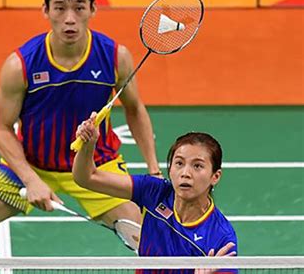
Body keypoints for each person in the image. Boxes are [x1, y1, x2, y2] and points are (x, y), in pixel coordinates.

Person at [0, 0, 160, 261]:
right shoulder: (22, 64)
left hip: (95, 166)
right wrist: (30, 179)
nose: (69, 19)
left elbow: (135, 109)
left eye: (79, 8)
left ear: (93, 9)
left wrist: (153, 170)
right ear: (45, 10)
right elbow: (1, 128)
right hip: (31, 164)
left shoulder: (116, 57)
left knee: (154, 248)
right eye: (60, 8)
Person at [73, 113, 238, 273]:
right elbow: (87, 177)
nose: (185, 173)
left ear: (215, 177)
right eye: (179, 163)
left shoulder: (221, 237)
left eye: (197, 166)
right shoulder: (154, 191)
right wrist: (89, 145)